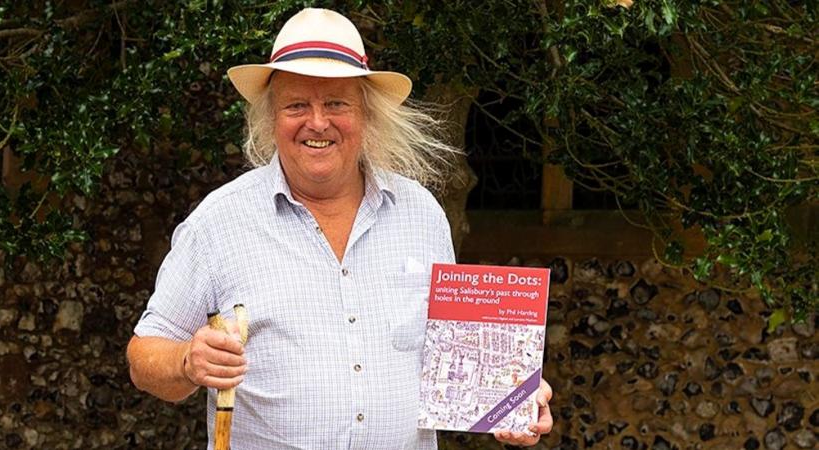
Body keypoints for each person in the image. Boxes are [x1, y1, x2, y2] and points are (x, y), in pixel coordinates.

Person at [126, 8, 553, 449]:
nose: (317, 122)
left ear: (365, 113)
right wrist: (186, 362)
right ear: (272, 116)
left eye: (336, 103)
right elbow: (143, 359)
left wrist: (514, 397)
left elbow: (456, 359)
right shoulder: (219, 222)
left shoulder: (421, 214)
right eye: (296, 105)